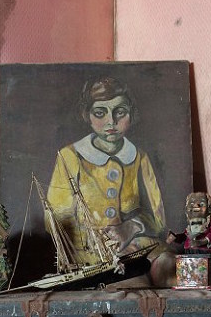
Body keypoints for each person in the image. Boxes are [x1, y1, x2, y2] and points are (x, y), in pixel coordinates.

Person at [46, 77, 167, 265]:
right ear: (87, 115)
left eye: (120, 112)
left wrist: (131, 227)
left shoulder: (139, 157)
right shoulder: (70, 156)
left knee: (168, 266)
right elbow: (55, 219)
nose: (111, 121)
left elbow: (158, 218)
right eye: (100, 113)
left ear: (131, 114)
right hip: (90, 255)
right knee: (131, 283)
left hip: (138, 244)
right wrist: (98, 242)